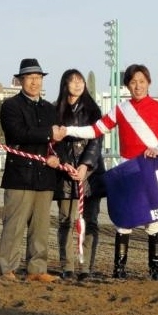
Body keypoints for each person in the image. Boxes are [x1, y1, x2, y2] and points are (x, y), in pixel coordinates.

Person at [63, 63, 158, 281]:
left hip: (150, 168)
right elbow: (95, 130)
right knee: (124, 219)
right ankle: (119, 269)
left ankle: (155, 270)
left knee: (154, 220)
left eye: (141, 82)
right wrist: (68, 130)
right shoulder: (121, 109)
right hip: (127, 171)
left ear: (148, 83)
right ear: (128, 85)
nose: (137, 86)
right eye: (133, 82)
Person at [0, 58, 64, 283]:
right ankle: (8, 268)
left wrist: (57, 156)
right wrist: (49, 134)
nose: (35, 82)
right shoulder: (10, 106)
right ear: (20, 81)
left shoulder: (49, 108)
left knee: (40, 227)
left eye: (38, 78)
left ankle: (37, 268)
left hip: (44, 177)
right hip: (19, 176)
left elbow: (58, 142)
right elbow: (18, 133)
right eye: (30, 78)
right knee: (14, 226)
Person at [53, 69, 106, 281]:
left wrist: (85, 165)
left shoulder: (93, 111)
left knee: (90, 221)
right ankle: (68, 266)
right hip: (65, 174)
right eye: (72, 81)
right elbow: (53, 143)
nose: (77, 85)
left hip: (90, 174)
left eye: (80, 81)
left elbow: (96, 140)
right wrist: (65, 164)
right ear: (64, 84)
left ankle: (85, 267)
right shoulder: (55, 110)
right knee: (66, 220)